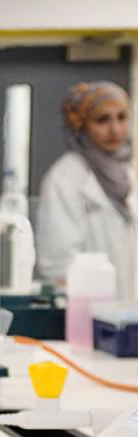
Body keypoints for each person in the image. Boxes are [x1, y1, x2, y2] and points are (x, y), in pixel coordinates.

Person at [37, 81, 138, 299]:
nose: (115, 129)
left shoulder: (125, 173)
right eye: (102, 120)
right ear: (80, 125)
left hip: (128, 309)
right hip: (88, 310)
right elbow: (57, 262)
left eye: (122, 117)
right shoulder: (64, 178)